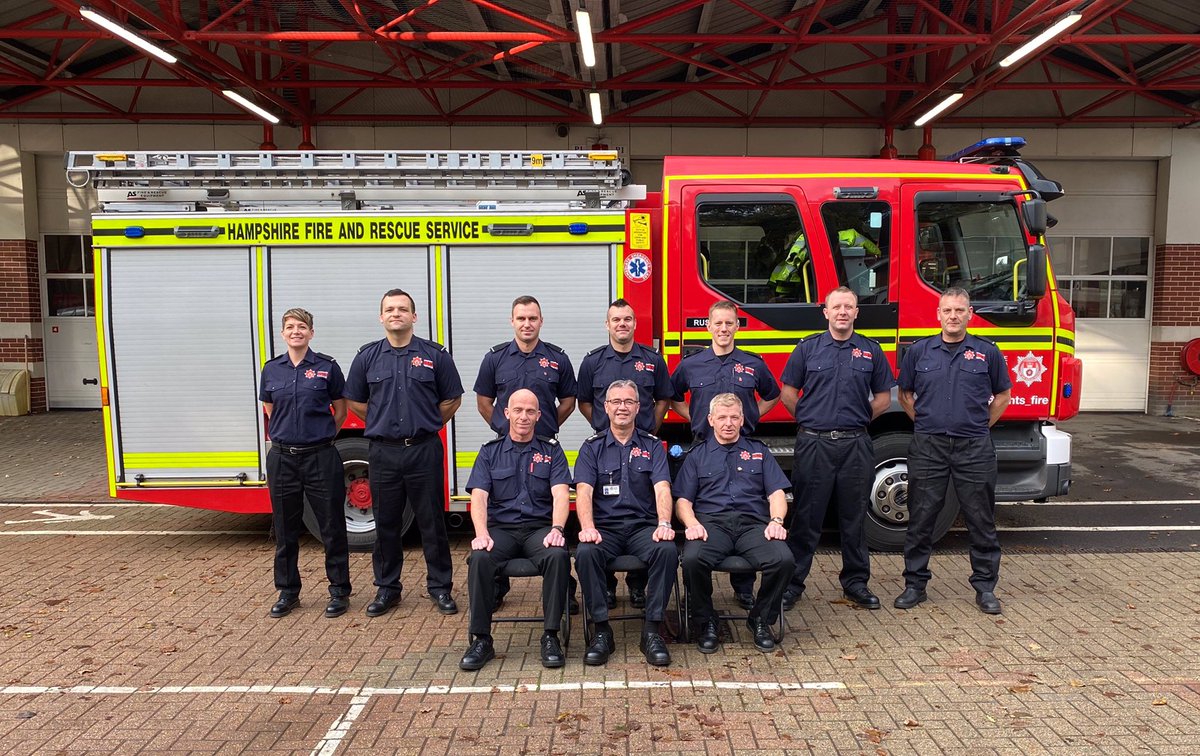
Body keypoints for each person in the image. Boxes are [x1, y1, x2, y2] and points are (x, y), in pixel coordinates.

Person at [344, 289, 464, 618]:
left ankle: (440, 588)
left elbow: (453, 397)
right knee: (385, 522)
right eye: (389, 309)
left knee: (431, 522)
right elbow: (354, 400)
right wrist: (382, 422)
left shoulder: (435, 355)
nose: (396, 314)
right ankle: (387, 588)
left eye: (403, 309)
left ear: (414, 316)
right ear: (381, 317)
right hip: (383, 452)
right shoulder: (367, 357)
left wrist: (426, 423)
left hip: (423, 449)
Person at [895, 288, 1012, 615]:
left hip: (973, 447)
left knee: (980, 518)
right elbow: (905, 394)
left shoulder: (986, 352)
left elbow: (1002, 395)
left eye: (960, 310)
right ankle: (914, 585)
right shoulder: (919, 352)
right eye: (947, 310)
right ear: (938, 314)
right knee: (921, 517)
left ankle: (985, 587)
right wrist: (926, 423)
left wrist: (978, 426)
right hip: (929, 446)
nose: (953, 316)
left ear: (970, 313)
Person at [779, 287, 895, 612]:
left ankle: (856, 584)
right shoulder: (808, 349)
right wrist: (810, 419)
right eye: (836, 307)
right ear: (825, 312)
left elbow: (884, 399)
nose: (842, 312)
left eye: (849, 307)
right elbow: (788, 392)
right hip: (814, 443)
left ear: (857, 313)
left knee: (854, 518)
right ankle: (792, 584)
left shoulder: (871, 351)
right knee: (806, 518)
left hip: (855, 444)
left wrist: (857, 420)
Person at [671, 299, 780, 609]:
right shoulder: (691, 364)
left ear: (737, 326)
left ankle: (744, 587)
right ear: (708, 326)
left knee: (746, 506)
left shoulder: (753, 364)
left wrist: (751, 416)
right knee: (710, 506)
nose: (723, 328)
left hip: (743, 447)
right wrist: (695, 417)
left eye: (729, 323)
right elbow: (671, 394)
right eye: (717, 323)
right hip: (703, 448)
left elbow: (773, 395)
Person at [459, 389, 572, 671]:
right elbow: (479, 497)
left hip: (539, 531)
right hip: (502, 532)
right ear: (506, 413)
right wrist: (481, 533)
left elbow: (560, 495)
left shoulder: (552, 451)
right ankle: (481, 639)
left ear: (539, 416)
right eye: (518, 410)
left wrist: (557, 528)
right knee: (481, 558)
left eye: (530, 411)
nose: (524, 416)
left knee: (558, 555)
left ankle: (551, 636)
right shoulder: (489, 452)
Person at [674, 393, 794, 654]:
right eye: (722, 417)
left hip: (753, 526)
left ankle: (760, 620)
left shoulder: (759, 452)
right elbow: (683, 500)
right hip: (712, 526)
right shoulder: (697, 456)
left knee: (783, 560)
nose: (728, 423)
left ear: (742, 419)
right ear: (710, 420)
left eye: (733, 417)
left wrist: (776, 520)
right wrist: (691, 522)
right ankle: (706, 622)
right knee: (693, 561)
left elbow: (776, 494)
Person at [576, 298, 672, 610]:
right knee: (605, 518)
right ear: (607, 324)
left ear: (634, 324)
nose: (622, 324)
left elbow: (662, 400)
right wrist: (604, 429)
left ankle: (637, 585)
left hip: (641, 444)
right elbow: (584, 402)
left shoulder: (652, 359)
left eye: (627, 319)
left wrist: (649, 430)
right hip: (607, 446)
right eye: (616, 319)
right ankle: (605, 588)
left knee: (641, 505)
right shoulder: (592, 362)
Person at [573, 380, 678, 667]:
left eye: (628, 402)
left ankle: (652, 630)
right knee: (585, 553)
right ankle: (602, 631)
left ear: (638, 407)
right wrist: (587, 527)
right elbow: (584, 491)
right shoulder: (591, 448)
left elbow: (662, 488)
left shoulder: (653, 446)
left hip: (643, 527)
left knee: (667, 550)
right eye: (616, 401)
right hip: (605, 528)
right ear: (606, 407)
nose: (622, 407)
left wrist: (665, 523)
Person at [259, 308, 351, 619]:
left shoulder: (327, 367)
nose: (295, 331)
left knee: (332, 526)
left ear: (311, 333)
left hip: (321, 456)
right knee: (285, 528)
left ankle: (339, 590)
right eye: (289, 327)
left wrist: (319, 436)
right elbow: (270, 409)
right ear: (283, 334)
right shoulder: (272, 370)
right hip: (284, 458)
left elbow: (340, 409)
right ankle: (288, 592)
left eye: (302, 327)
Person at [474, 295, 577, 440]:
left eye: (533, 318)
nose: (527, 324)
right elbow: (483, 403)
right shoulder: (494, 359)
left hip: (545, 443)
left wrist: (546, 425)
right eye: (521, 319)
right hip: (505, 444)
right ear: (512, 321)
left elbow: (569, 403)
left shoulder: (558, 359)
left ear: (541, 321)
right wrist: (505, 427)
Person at [770, 228, 881, 301]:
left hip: (806, 282)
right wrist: (877, 254)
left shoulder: (802, 237)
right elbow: (875, 251)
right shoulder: (852, 234)